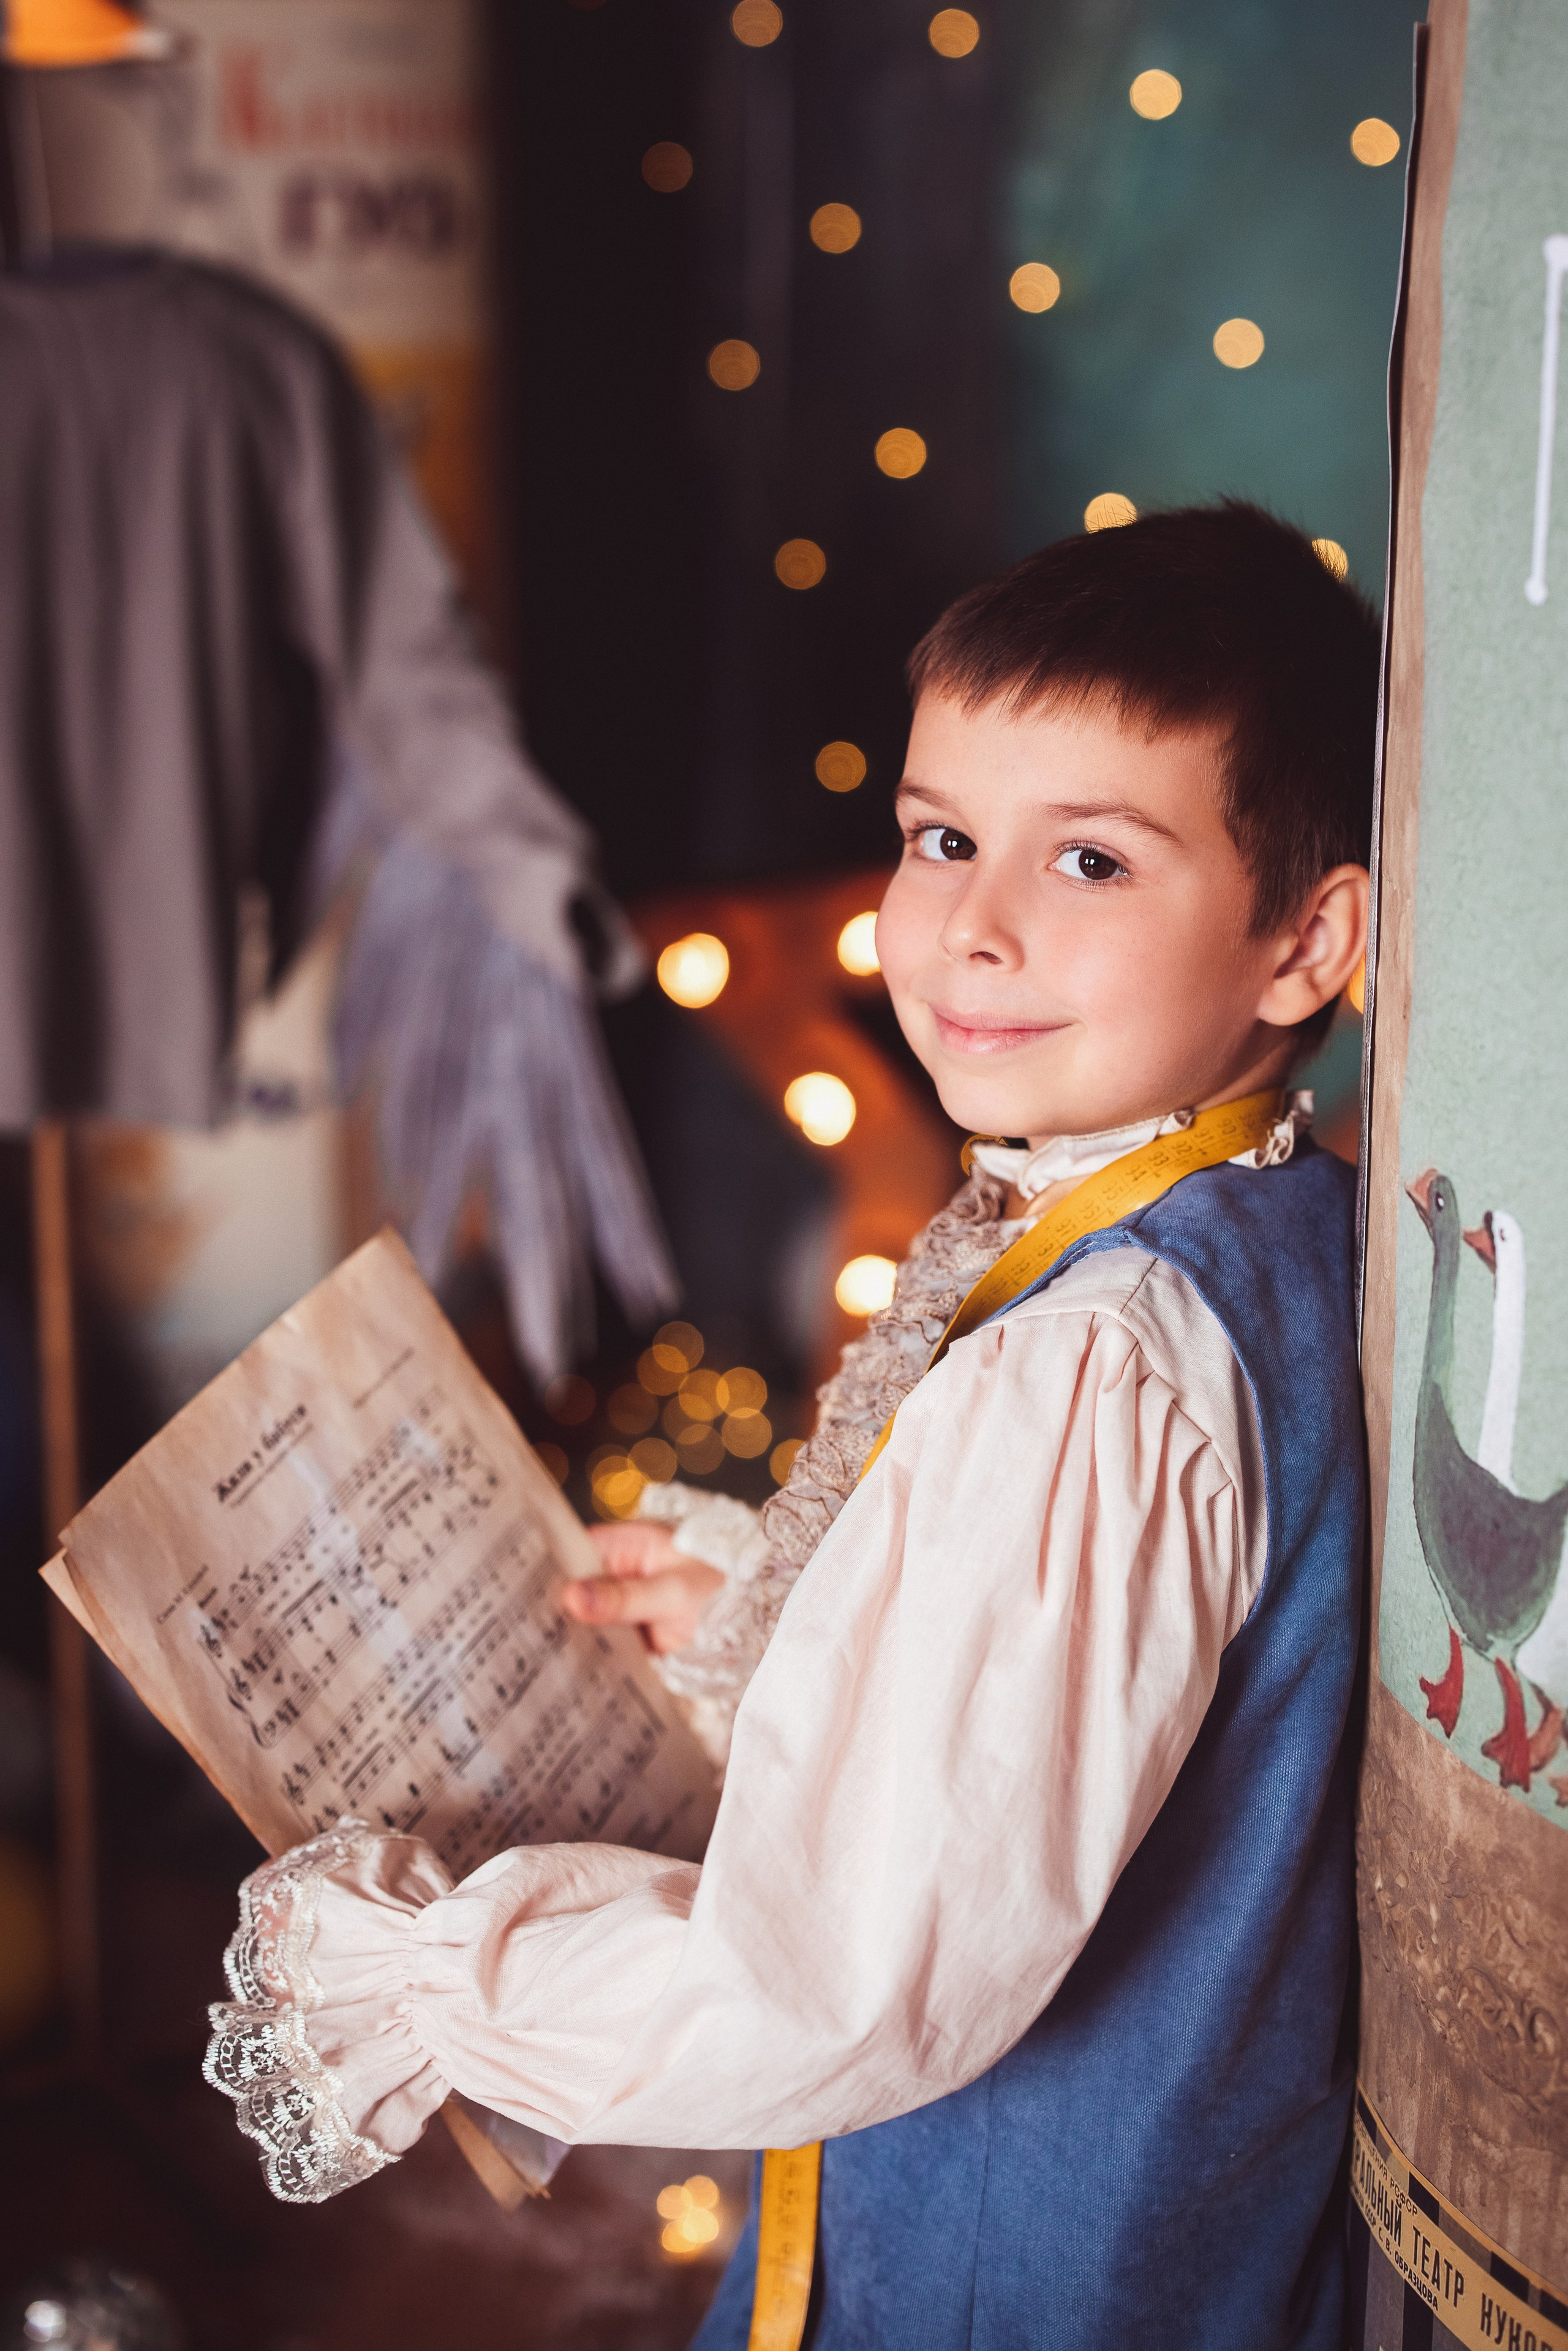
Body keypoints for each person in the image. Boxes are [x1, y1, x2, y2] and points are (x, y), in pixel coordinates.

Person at [207, 502, 1374, 2350]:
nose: (972, 929)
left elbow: (837, 1988)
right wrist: (783, 1604)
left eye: (1090, 861)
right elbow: (1067, 1698)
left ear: (1305, 943)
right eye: (940, 838)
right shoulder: (1256, 1231)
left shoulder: (1095, 1369)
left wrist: (415, 1977)